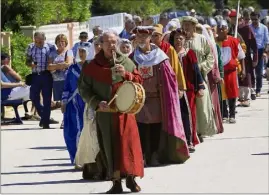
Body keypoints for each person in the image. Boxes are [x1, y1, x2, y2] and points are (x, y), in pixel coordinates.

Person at [78, 30, 144, 193]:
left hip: (125, 113)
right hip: (105, 113)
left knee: (128, 145)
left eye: (114, 42)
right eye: (107, 42)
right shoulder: (91, 66)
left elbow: (139, 81)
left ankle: (130, 178)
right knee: (109, 146)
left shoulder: (126, 62)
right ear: (101, 44)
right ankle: (116, 182)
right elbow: (84, 89)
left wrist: (126, 74)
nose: (111, 45)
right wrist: (96, 102)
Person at [130, 26, 190, 166]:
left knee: (156, 127)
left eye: (144, 37)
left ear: (150, 38)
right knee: (142, 127)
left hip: (157, 98)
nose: (142, 40)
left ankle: (155, 154)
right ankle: (144, 155)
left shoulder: (160, 56)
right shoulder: (133, 57)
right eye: (139, 37)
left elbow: (170, 77)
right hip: (140, 100)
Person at [169, 28, 205, 150]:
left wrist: (200, 86)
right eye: (176, 38)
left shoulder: (189, 53)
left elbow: (196, 71)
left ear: (185, 40)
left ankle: (190, 140)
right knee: (175, 115)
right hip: (173, 89)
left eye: (181, 38)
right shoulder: (169, 53)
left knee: (188, 115)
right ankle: (179, 141)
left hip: (188, 90)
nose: (178, 40)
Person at [182, 16, 217, 139]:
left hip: (200, 76)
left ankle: (201, 130)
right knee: (189, 103)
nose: (186, 27)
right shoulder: (181, 39)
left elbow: (210, 56)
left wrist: (201, 67)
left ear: (193, 26)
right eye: (184, 24)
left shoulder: (201, 39)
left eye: (188, 25)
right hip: (185, 76)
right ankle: (192, 132)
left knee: (202, 103)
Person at [26, 32, 57, 129]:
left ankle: (45, 123)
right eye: (36, 40)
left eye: (40, 40)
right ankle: (44, 117)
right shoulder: (30, 47)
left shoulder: (50, 47)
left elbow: (54, 59)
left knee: (47, 99)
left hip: (46, 75)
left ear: (44, 39)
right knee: (33, 96)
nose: (38, 42)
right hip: (35, 75)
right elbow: (27, 61)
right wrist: (30, 63)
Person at [216, 20, 246, 123]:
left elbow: (241, 56)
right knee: (222, 94)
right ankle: (224, 114)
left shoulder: (234, 41)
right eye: (219, 29)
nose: (220, 30)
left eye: (223, 28)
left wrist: (243, 70)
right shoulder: (214, 42)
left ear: (227, 30)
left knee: (232, 93)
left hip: (231, 72)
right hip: (220, 73)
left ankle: (232, 114)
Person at [61, 46, 86, 166]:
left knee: (87, 131)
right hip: (74, 103)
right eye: (80, 51)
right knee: (73, 130)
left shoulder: (93, 68)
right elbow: (66, 86)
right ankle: (77, 159)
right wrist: (64, 101)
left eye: (84, 51)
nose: (82, 54)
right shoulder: (72, 68)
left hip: (88, 103)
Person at [48, 34, 73, 128]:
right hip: (56, 80)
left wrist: (55, 66)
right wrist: (61, 65)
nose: (60, 43)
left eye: (62, 41)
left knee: (65, 100)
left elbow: (68, 63)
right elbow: (49, 67)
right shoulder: (52, 53)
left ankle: (65, 120)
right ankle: (64, 118)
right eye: (59, 41)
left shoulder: (68, 52)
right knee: (61, 101)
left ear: (65, 42)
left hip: (66, 80)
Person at [249, 11, 269, 97]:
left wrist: (265, 51)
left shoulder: (264, 28)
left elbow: (267, 41)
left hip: (260, 51)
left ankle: (258, 90)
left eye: (255, 19)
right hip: (250, 51)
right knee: (250, 72)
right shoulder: (248, 28)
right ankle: (251, 90)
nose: (254, 21)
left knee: (259, 72)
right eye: (252, 19)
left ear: (259, 19)